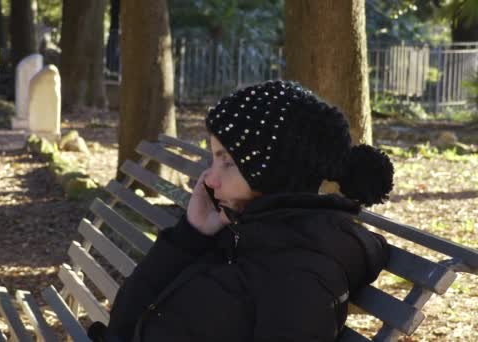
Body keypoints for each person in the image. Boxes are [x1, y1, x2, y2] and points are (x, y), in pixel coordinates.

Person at [88, 80, 394, 342]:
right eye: (213, 158)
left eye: (228, 161)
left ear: (276, 171)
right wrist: (190, 235)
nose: (209, 177)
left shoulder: (302, 270)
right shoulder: (242, 232)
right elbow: (126, 325)